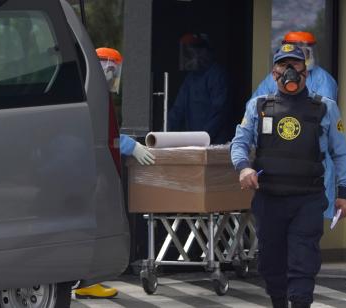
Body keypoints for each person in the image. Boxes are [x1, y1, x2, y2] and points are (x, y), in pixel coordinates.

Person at [230, 44, 346, 308]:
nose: (289, 71)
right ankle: (277, 301)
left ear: (305, 71)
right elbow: (239, 143)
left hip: (308, 198)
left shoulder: (325, 108)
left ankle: (299, 303)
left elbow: (341, 153)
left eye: (295, 65)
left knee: (303, 258)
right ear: (274, 72)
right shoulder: (259, 106)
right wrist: (243, 167)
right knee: (271, 260)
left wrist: (345, 193)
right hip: (269, 197)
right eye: (283, 65)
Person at [74, 47, 155, 299]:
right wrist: (130, 145)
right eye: (111, 68)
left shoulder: (94, 94)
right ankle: (84, 279)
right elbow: (97, 133)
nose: (113, 74)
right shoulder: (88, 95)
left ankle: (87, 280)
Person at [168, 33, 231, 144]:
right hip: (195, 140)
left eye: (192, 53)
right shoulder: (190, 78)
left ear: (205, 52)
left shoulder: (217, 75)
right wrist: (163, 132)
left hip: (214, 142)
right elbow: (178, 109)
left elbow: (218, 112)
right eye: (188, 53)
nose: (190, 58)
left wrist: (202, 137)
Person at [251, 31, 338, 101]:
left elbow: (326, 112)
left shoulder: (323, 79)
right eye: (288, 59)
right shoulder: (273, 77)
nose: (291, 65)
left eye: (298, 59)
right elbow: (254, 107)